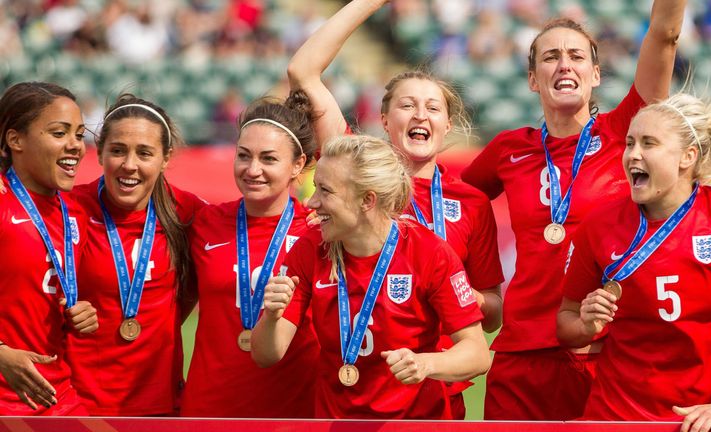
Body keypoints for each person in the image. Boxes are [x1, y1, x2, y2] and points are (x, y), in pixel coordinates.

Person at [461, 1, 687, 420]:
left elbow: (664, 35)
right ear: (533, 79)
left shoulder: (626, 133)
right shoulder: (509, 149)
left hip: (604, 353)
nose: (564, 65)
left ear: (596, 75)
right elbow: (448, 206)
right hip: (521, 356)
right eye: (551, 57)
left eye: (576, 56)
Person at [287, 0, 504, 417]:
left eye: (433, 107)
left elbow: (492, 315)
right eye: (407, 105)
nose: (420, 114)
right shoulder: (354, 171)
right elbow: (303, 71)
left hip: (434, 389)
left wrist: (451, 292)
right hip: (353, 388)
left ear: (447, 125)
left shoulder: (470, 202)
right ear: (384, 119)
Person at [557, 86, 711, 432]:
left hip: (704, 422)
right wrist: (585, 324)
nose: (632, 155)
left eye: (649, 143)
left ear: (688, 156)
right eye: (629, 143)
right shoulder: (598, 225)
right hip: (615, 419)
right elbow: (566, 325)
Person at [251, 134, 491, 419]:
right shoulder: (310, 247)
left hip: (414, 424)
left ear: (367, 200)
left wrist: (425, 364)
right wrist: (272, 316)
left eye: (325, 191)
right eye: (315, 188)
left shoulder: (430, 253)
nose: (312, 203)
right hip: (335, 424)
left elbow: (477, 353)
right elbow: (266, 354)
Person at [180, 94, 320, 418]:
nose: (253, 169)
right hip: (209, 410)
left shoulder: (319, 232)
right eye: (244, 156)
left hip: (294, 413)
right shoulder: (204, 222)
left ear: (298, 165)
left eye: (269, 159)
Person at [65, 95, 205, 416]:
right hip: (79, 406)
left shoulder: (190, 212)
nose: (129, 165)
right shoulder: (68, 208)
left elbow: (254, 232)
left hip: (160, 406)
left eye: (144, 153)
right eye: (117, 150)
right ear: (99, 151)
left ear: (166, 157)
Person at [0, 81, 98, 415]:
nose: (76, 146)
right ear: (16, 140)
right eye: (59, 133)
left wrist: (79, 315)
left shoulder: (77, 211)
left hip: (58, 398)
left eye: (80, 135)